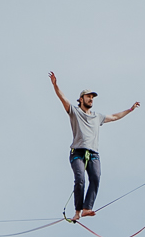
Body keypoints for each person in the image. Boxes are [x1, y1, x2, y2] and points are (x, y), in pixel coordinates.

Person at [49, 72, 139, 219]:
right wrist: (55, 85)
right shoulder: (74, 112)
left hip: (93, 154)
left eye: (92, 97)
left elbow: (114, 117)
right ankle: (77, 211)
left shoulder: (97, 117)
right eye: (88, 96)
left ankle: (86, 208)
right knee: (80, 180)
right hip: (77, 153)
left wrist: (130, 109)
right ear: (81, 99)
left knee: (96, 178)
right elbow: (63, 98)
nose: (91, 99)